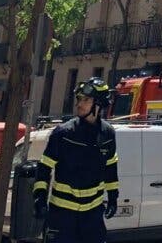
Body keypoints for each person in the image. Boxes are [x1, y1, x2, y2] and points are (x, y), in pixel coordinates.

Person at [33, 78, 119, 243]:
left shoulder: (108, 134)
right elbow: (44, 167)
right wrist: (40, 198)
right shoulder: (63, 133)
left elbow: (111, 168)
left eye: (85, 100)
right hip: (62, 214)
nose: (79, 103)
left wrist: (113, 198)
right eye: (79, 99)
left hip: (92, 215)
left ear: (99, 104)